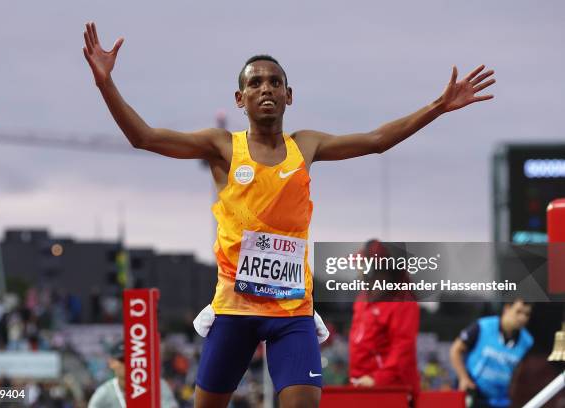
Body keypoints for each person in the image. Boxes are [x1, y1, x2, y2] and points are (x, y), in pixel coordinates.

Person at [82, 21, 496, 408]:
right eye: (255, 82)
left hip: (292, 310)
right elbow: (144, 137)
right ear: (239, 99)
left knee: (303, 401)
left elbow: (375, 141)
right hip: (235, 308)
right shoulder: (222, 146)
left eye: (275, 82)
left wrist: (438, 106)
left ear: (289, 95)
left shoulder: (306, 146)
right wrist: (106, 84)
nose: (266, 88)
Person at [348, 240, 421, 405]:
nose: (358, 271)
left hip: (391, 391)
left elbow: (402, 348)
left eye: (361, 265)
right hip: (363, 389)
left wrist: (377, 379)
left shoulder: (402, 302)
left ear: (373, 269)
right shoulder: (363, 299)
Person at [449, 299, 534, 408]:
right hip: (472, 392)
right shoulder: (483, 326)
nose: (522, 318)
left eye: (527, 314)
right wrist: (463, 378)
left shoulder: (527, 341)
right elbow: (455, 350)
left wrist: (512, 392)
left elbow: (518, 370)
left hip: (499, 399)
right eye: (518, 312)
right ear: (507, 308)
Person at [88, 340, 178, 408]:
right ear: (111, 363)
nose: (128, 364)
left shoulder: (158, 386)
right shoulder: (104, 394)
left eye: (132, 359)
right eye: (122, 360)